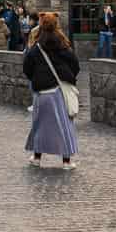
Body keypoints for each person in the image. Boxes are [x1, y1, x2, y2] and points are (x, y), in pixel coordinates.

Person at [23, 12, 79, 169]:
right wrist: (66, 77)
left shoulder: (37, 47)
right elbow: (75, 64)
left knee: (40, 126)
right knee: (64, 125)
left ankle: (36, 157)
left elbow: (27, 67)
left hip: (42, 92)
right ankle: (66, 161)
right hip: (58, 91)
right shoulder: (63, 45)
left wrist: (36, 79)